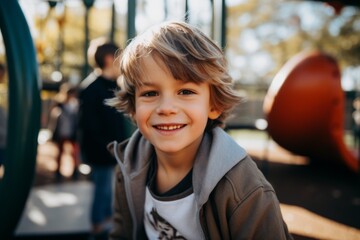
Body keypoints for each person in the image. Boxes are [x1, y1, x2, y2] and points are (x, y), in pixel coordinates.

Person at [106, 21, 293, 239]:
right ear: (134, 106)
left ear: (213, 105)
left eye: (185, 91)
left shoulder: (244, 190)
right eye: (150, 93)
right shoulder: (129, 165)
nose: (166, 108)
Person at [78, 42, 129, 239]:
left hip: (113, 152)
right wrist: (108, 149)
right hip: (103, 153)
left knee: (110, 193)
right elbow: (90, 127)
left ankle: (106, 228)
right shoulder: (92, 89)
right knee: (103, 192)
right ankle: (98, 229)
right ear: (109, 59)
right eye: (119, 58)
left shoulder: (113, 86)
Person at [49, 83, 80, 180]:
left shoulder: (76, 105)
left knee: (74, 153)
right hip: (62, 132)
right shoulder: (59, 105)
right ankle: (58, 172)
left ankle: (75, 171)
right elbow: (53, 119)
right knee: (60, 153)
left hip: (72, 132)